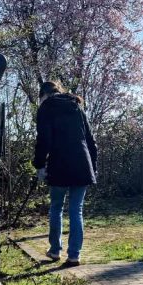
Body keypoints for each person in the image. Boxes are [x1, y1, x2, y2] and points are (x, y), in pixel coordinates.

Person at [33, 81, 97, 267]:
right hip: (82, 164)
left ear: (43, 95)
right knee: (76, 210)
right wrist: (94, 167)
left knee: (56, 208)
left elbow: (43, 139)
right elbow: (90, 139)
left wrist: (39, 165)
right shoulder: (75, 105)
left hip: (59, 163)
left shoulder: (46, 108)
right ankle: (74, 255)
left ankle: (54, 250)